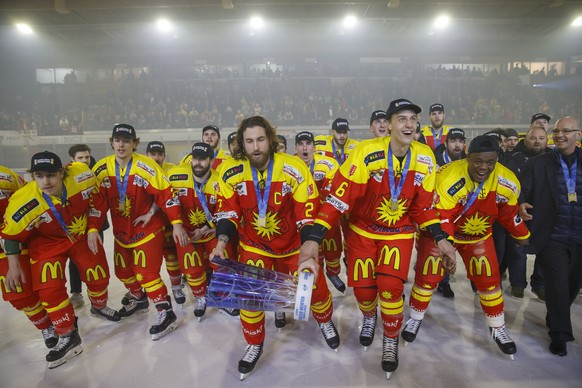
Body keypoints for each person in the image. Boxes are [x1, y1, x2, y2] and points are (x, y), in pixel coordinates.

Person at [298, 99, 456, 379]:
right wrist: (313, 238)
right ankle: (370, 318)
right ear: (390, 124)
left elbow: (423, 208)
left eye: (412, 120)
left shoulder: (425, 157)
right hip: (362, 233)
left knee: (391, 288)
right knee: (364, 290)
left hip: (399, 233)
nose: (408, 124)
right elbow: (338, 199)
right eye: (402, 119)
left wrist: (441, 238)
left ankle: (391, 339)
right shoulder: (365, 152)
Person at [211, 116, 339, 379]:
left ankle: (325, 322)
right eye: (249, 141)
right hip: (255, 246)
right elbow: (228, 213)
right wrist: (221, 242)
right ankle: (254, 342)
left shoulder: (294, 168)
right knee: (250, 297)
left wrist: (307, 250)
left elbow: (306, 215)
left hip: (293, 246)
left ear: (270, 139)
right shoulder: (229, 171)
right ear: (241, 143)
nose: (255, 147)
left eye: (260, 139)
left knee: (316, 287)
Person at [402, 135, 530, 360]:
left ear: (497, 160)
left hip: (478, 235)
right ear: (468, 158)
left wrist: (522, 235)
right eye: (478, 161)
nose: (484, 167)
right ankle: (415, 317)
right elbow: (443, 216)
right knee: (428, 275)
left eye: (490, 162)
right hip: (440, 234)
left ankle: (497, 326)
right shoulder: (449, 177)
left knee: (489, 279)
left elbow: (509, 214)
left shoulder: (508, 181)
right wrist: (447, 247)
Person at [1, 152, 120, 369]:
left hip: (80, 233)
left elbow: (97, 197)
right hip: (46, 244)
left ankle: (99, 306)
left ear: (62, 173)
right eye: (39, 176)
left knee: (98, 275)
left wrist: (94, 227)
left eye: (51, 175)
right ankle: (68, 335)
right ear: (32, 177)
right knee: (49, 288)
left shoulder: (81, 174)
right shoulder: (23, 202)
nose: (45, 182)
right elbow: (10, 235)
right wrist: (14, 266)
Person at [88, 124, 188, 341]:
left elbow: (165, 194)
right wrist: (93, 227)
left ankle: (166, 312)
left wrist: (177, 222)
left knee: (147, 274)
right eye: (117, 140)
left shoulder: (147, 166)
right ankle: (139, 297)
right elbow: (98, 201)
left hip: (147, 231)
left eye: (126, 140)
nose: (121, 144)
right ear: (112, 142)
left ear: (135, 144)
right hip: (121, 234)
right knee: (123, 272)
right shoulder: (102, 169)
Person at [519, 116, 582, 357]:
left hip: (579, 237)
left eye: (567, 131)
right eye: (557, 131)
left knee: (572, 285)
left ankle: (555, 315)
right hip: (553, 236)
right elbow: (521, 191)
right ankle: (559, 335)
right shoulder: (538, 164)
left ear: (579, 134)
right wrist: (521, 202)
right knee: (557, 285)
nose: (560, 135)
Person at [167, 142, 237, 321]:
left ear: (211, 161)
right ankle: (201, 298)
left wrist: (206, 228)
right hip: (187, 234)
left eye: (203, 159)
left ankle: (222, 299)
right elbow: (165, 199)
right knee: (191, 270)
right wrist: (177, 225)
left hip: (210, 232)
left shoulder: (220, 182)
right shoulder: (176, 176)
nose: (198, 163)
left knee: (222, 264)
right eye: (195, 158)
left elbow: (224, 211)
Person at [0, 165, 59, 350]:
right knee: (17, 294)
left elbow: (29, 196)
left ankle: (55, 323)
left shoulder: (7, 176)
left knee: (30, 288)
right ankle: (47, 325)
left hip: (15, 239)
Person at [295, 131, 345, 295]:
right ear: (296, 148)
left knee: (333, 249)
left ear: (314, 147)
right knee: (309, 252)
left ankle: (333, 273)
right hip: (303, 219)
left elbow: (333, 191)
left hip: (325, 215)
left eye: (308, 144)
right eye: (301, 144)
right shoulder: (290, 166)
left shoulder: (329, 164)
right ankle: (318, 280)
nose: (305, 148)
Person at [504, 128, 549, 299]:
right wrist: (519, 201)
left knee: (545, 248)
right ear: (526, 139)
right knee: (518, 247)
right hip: (520, 209)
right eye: (533, 138)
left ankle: (540, 284)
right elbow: (511, 184)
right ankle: (518, 284)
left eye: (541, 138)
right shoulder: (515, 158)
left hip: (545, 211)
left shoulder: (553, 157)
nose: (537, 141)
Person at [145, 141, 185, 305]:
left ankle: (176, 287)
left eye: (160, 154)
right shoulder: (141, 169)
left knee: (172, 257)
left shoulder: (172, 170)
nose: (157, 157)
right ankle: (143, 292)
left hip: (169, 223)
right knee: (147, 262)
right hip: (148, 224)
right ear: (147, 155)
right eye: (153, 154)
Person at [432, 127, 467, 298]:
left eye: (460, 141)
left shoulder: (469, 163)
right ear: (446, 143)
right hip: (437, 211)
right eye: (453, 141)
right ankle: (442, 282)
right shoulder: (433, 160)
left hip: (459, 212)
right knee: (442, 246)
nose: (457, 145)